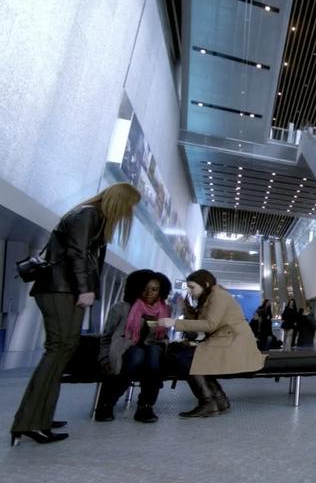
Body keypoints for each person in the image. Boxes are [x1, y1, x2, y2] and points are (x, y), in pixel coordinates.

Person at [10, 183, 141, 446]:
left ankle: (40, 416)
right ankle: (30, 422)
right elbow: (77, 253)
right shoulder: (88, 214)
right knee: (59, 349)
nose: (129, 212)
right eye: (129, 205)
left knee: (62, 350)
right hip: (62, 289)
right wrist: (84, 289)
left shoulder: (89, 215)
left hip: (62, 289)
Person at [157, 270, 265, 418]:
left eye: (192, 287)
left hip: (232, 343)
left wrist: (174, 323)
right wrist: (186, 309)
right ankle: (218, 399)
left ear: (205, 284)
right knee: (186, 355)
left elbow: (210, 324)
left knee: (185, 358)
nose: (190, 290)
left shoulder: (219, 296)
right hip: (227, 341)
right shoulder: (210, 297)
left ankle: (208, 401)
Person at [95, 270, 172, 424]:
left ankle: (146, 406)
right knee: (137, 356)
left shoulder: (164, 310)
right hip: (125, 350)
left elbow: (162, 335)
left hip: (152, 348)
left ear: (161, 291)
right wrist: (104, 359)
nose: (149, 293)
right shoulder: (122, 308)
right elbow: (106, 337)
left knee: (153, 354)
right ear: (136, 288)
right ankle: (107, 403)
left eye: (155, 289)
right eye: (145, 288)